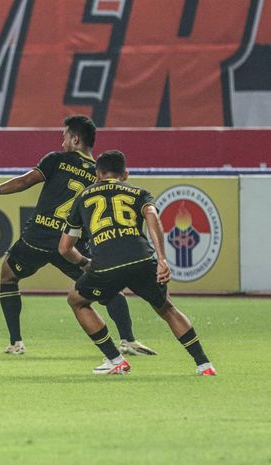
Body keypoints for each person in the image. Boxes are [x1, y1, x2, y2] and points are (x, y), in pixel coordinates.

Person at [0, 115, 155, 356]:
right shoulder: (98, 173)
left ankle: (16, 343)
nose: (61, 142)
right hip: (72, 242)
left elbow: (24, 182)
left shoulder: (56, 159)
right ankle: (128, 340)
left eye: (64, 136)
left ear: (75, 139)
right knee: (108, 285)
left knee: (8, 276)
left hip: (39, 237)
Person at [58, 150, 216, 375]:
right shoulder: (138, 193)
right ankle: (204, 364)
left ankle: (115, 359)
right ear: (125, 174)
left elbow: (64, 248)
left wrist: (85, 263)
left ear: (97, 174)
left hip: (106, 264)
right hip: (142, 259)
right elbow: (152, 215)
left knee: (77, 301)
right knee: (167, 309)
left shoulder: (83, 197)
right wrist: (161, 259)